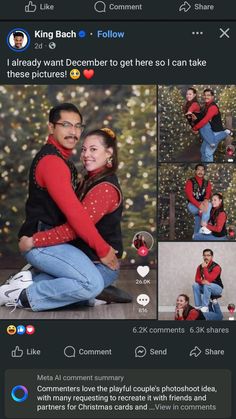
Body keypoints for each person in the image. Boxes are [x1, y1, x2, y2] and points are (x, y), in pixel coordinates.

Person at [0, 104, 119, 311]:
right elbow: (76, 215)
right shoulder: (52, 163)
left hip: (55, 243)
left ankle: (27, 281)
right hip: (44, 243)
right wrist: (103, 249)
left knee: (87, 282)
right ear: (51, 128)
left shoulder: (63, 162)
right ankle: (22, 296)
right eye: (65, 125)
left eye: (77, 126)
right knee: (92, 283)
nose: (73, 131)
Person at [192, 89, 233, 162]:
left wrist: (195, 128)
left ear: (212, 97)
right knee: (203, 151)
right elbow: (202, 117)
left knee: (208, 153)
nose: (206, 97)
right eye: (205, 95)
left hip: (216, 131)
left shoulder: (213, 107)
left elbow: (205, 120)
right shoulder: (206, 106)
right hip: (210, 132)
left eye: (208, 95)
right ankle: (204, 164)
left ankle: (225, 132)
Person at [185, 164, 212, 235]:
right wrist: (199, 205)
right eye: (199, 170)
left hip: (203, 205)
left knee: (201, 213)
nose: (200, 172)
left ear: (204, 171)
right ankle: (204, 226)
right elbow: (190, 197)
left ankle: (196, 235)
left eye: (202, 170)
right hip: (192, 205)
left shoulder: (207, 182)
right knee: (205, 209)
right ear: (195, 171)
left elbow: (208, 194)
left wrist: (205, 201)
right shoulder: (190, 181)